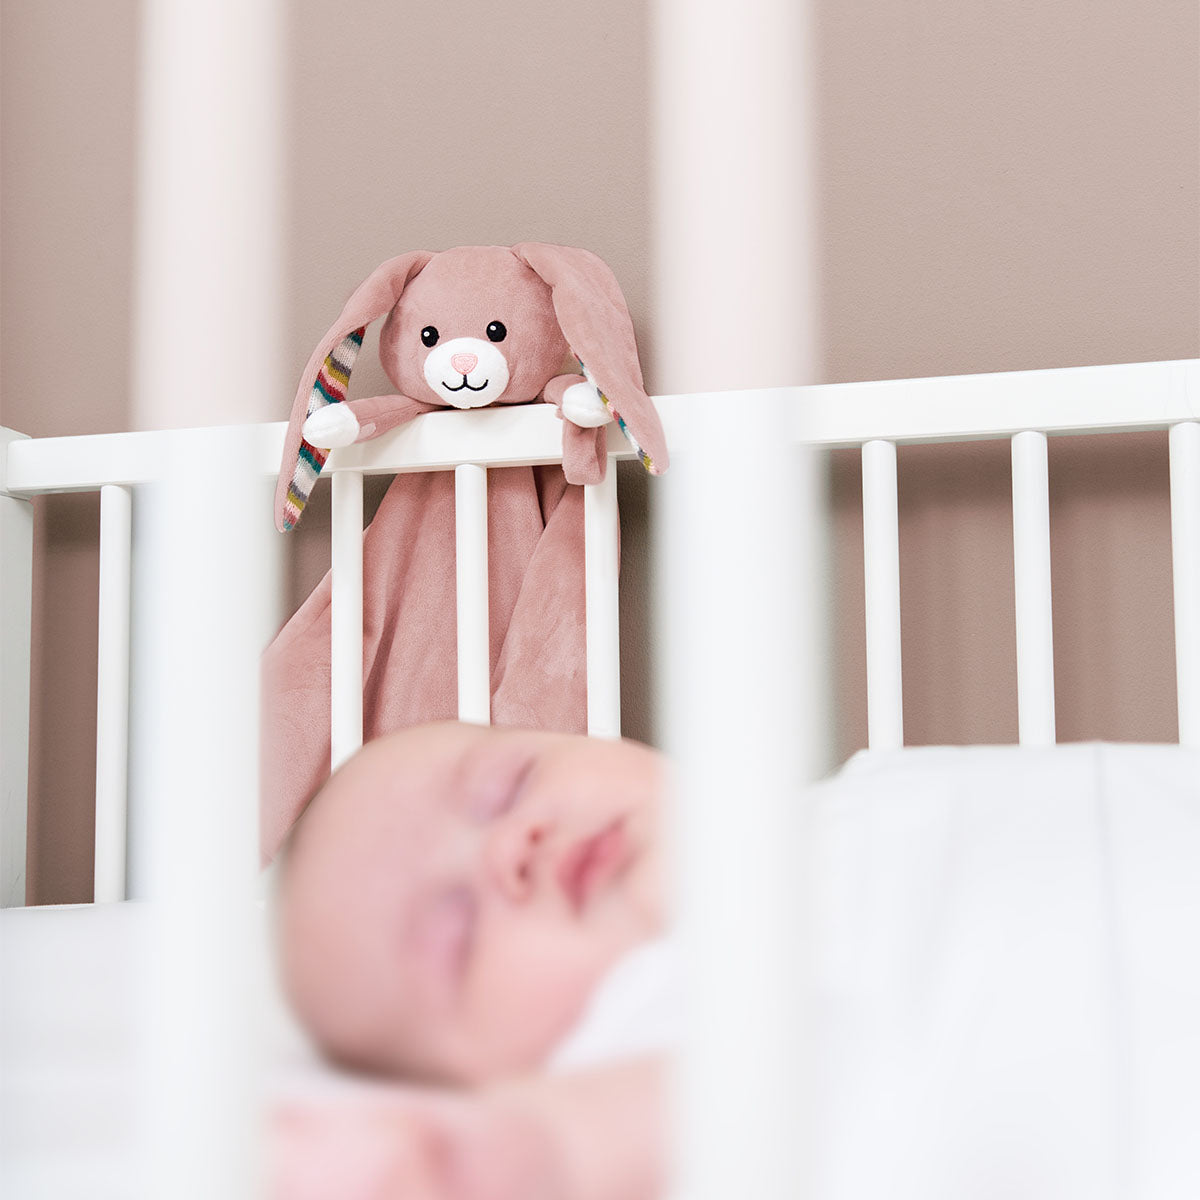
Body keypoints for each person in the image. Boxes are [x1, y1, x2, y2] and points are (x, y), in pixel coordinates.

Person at [272, 721, 671, 1200]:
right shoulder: (641, 1027)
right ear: (476, 1083)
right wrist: (504, 1156)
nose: (511, 847)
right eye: (461, 937)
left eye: (509, 785)